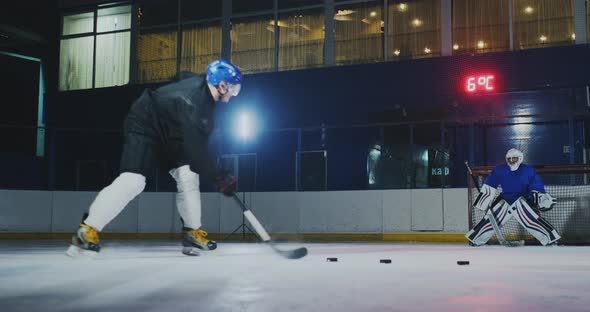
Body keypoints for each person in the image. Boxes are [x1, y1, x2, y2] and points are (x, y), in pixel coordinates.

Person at [66, 59, 241, 257]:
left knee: (188, 175)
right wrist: (219, 176)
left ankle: (192, 233)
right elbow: (196, 153)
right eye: (234, 88)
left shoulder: (201, 87)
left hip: (171, 129)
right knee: (134, 181)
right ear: (222, 85)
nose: (234, 93)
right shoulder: (195, 104)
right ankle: (87, 230)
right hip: (146, 123)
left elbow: (181, 75)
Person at [466, 148, 559, 246]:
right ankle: (475, 239)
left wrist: (541, 199)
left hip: (523, 201)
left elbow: (536, 186)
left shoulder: (528, 170)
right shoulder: (500, 170)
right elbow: (490, 184)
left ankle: (551, 239)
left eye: (514, 159)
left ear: (520, 158)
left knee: (532, 220)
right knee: (491, 220)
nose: (511, 161)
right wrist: (483, 201)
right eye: (509, 159)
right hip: (505, 200)